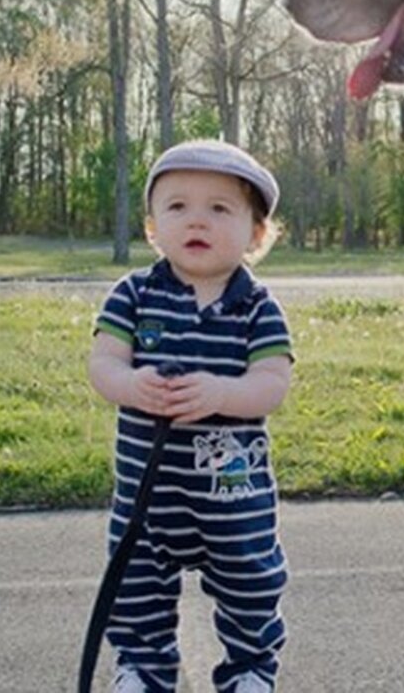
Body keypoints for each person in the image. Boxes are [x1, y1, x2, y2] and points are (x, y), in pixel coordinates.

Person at [89, 139, 293, 693]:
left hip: (234, 497)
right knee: (134, 588)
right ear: (153, 227)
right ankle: (142, 668)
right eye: (177, 206)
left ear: (256, 233)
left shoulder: (257, 305)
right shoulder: (133, 295)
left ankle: (250, 670)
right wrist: (130, 384)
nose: (196, 220)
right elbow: (103, 364)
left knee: (251, 585)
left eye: (219, 208)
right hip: (147, 496)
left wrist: (222, 395)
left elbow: (272, 383)